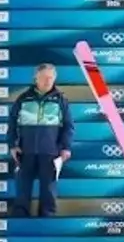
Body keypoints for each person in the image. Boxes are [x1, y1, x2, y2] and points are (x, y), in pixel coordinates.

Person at [6, 62, 74, 218]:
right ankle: (21, 217)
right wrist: (12, 145)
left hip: (50, 152)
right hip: (25, 151)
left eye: (50, 78)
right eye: (43, 78)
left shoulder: (61, 101)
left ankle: (47, 218)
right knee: (23, 188)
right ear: (35, 78)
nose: (47, 81)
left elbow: (69, 126)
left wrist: (66, 147)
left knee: (48, 189)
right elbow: (12, 123)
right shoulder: (23, 99)